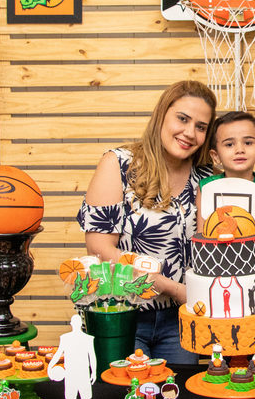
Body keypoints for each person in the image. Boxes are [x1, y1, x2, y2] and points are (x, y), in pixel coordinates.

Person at [78, 80, 216, 363]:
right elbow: (99, 248)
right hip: (121, 313)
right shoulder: (118, 163)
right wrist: (163, 283)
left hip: (180, 318)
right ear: (161, 114)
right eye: (182, 119)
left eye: (201, 127)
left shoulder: (206, 178)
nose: (189, 132)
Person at [195, 110, 255, 363]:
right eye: (229, 144)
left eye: (247, 143)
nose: (239, 149)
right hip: (224, 290)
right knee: (226, 362)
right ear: (215, 155)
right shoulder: (206, 190)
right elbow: (204, 238)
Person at [50, 312, 96, 399]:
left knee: (85, 398)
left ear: (80, 324)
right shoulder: (65, 338)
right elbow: (58, 354)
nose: (75, 324)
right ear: (71, 324)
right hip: (70, 373)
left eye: (77, 322)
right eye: (74, 322)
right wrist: (50, 365)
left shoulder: (88, 338)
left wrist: (94, 371)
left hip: (83, 372)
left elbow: (92, 356)